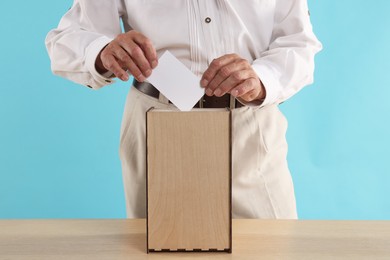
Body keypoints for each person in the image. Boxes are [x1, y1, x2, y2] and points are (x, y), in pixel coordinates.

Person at [46, 0, 322, 219]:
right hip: (155, 122)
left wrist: (262, 80)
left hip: (250, 128)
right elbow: (68, 37)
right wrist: (103, 50)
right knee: (159, 246)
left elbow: (298, 43)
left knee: (271, 248)